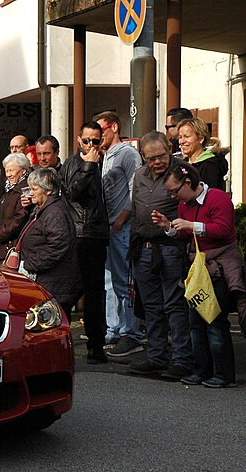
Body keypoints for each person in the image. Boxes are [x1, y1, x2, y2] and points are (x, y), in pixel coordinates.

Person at [151, 161, 244, 387]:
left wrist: (192, 225)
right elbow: (186, 235)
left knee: (214, 320)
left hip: (219, 267)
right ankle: (201, 370)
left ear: (188, 183)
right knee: (195, 322)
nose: (173, 197)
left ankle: (223, 374)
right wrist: (169, 227)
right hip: (198, 267)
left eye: (175, 191)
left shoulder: (218, 198)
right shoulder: (186, 204)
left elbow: (223, 229)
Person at [127, 131, 193, 379]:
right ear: (143, 157)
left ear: (169, 148)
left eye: (161, 156)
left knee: (174, 306)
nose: (157, 162)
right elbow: (135, 210)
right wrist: (133, 244)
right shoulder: (139, 175)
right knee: (152, 307)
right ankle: (156, 356)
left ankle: (182, 360)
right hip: (143, 249)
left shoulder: (182, 172)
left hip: (171, 249)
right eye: (151, 158)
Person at [59, 121, 110, 364]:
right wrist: (89, 165)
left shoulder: (105, 162)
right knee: (70, 291)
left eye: (96, 141)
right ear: (79, 140)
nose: (91, 145)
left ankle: (96, 347)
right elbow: (73, 193)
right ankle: (62, 345)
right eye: (87, 140)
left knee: (95, 293)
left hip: (97, 234)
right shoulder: (74, 163)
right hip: (79, 234)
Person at [94, 110, 143, 357]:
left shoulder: (127, 153)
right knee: (110, 280)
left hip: (120, 226)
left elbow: (136, 188)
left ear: (113, 127)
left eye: (101, 130)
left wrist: (122, 219)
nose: (97, 136)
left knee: (124, 281)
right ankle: (114, 328)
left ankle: (130, 332)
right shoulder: (104, 156)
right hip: (109, 227)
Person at [17, 167, 82, 323]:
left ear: (48, 191)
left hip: (56, 282)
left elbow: (58, 244)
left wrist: (32, 264)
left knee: (52, 326)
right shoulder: (44, 208)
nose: (30, 193)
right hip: (50, 280)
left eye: (34, 189)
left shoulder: (54, 212)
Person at [0, 152, 32, 264]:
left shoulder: (25, 191)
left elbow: (19, 219)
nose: (8, 174)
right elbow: (0, 214)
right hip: (1, 246)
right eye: (7, 171)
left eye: (12, 170)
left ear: (23, 170)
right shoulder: (8, 189)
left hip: (12, 247)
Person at [176, 117, 228, 191]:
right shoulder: (182, 164)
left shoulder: (210, 166)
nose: (182, 141)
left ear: (201, 138)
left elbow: (208, 195)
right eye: (180, 137)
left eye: (187, 136)